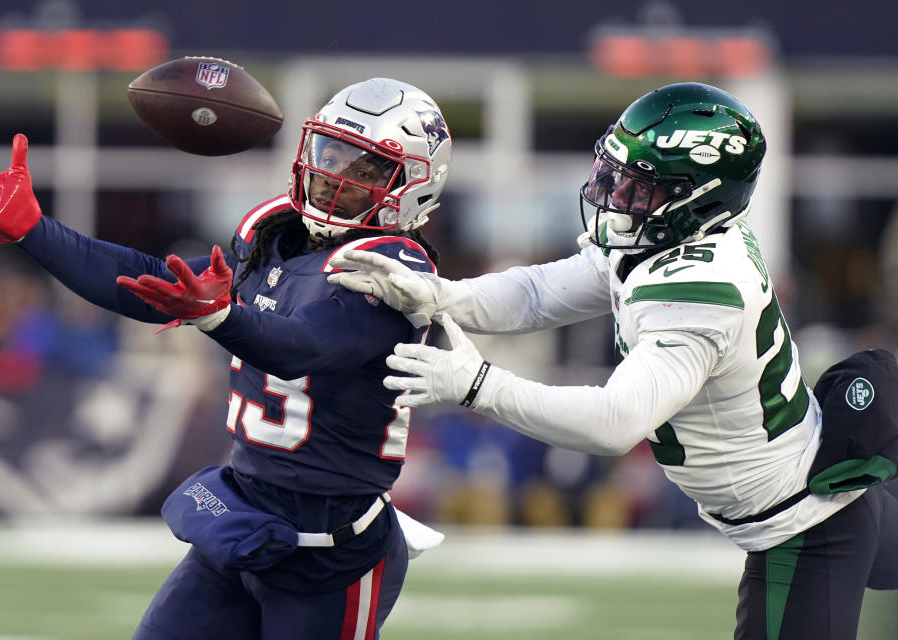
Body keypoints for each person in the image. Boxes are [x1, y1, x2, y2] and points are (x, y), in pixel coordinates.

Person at [327, 82, 898, 639]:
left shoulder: (700, 288)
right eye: (616, 174)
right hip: (809, 505)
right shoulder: (671, 234)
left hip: (804, 527)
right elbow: (538, 293)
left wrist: (477, 385)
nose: (616, 196)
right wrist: (440, 295)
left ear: (699, 196)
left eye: (639, 186)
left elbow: (615, 423)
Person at [0, 77, 452, 640]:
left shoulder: (397, 269)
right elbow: (151, 284)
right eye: (332, 154)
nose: (336, 176)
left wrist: (217, 316)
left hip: (331, 556)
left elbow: (302, 348)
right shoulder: (273, 235)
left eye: (365, 170)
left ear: (412, 186)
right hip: (243, 521)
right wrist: (33, 231)